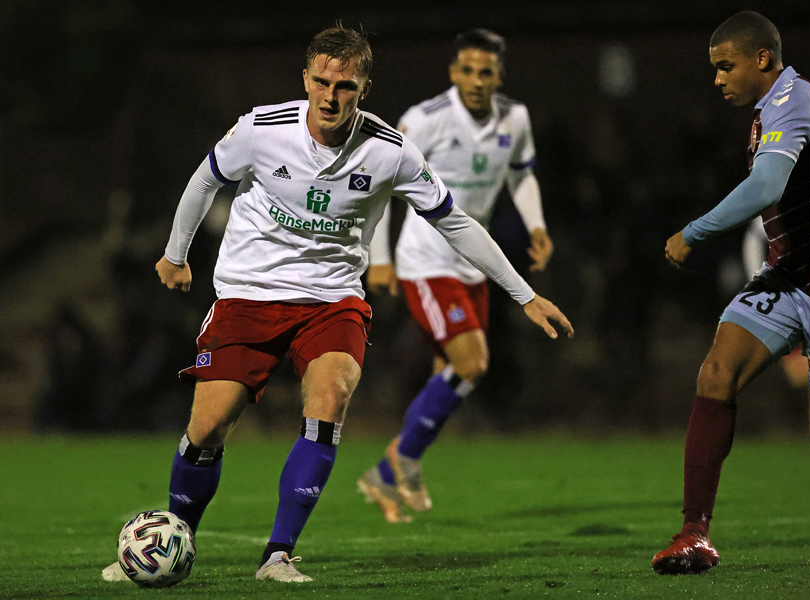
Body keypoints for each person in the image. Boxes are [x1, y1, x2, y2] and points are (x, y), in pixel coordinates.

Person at [101, 24, 573, 585]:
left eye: (344, 85)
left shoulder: (391, 152)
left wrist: (524, 293)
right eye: (321, 82)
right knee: (207, 428)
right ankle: (168, 539)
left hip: (332, 299)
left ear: (364, 88)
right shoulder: (261, 130)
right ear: (305, 79)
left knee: (330, 397)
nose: (330, 95)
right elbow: (207, 179)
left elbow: (456, 222)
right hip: (249, 293)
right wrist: (176, 254)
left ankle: (278, 555)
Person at [652, 11, 810, 575]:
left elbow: (766, 186)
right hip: (790, 277)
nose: (717, 79)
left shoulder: (797, 98)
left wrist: (693, 233)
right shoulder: (769, 110)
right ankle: (694, 533)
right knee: (716, 372)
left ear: (762, 58)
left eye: (725, 66)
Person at [356, 28, 553, 524]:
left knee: (449, 375)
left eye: (486, 72)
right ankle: (406, 458)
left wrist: (536, 225)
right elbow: (380, 189)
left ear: (499, 76)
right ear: (452, 72)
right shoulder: (424, 120)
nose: (476, 80)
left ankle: (382, 473)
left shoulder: (516, 117)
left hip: (474, 262)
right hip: (426, 260)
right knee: (473, 363)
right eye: (467, 70)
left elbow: (521, 172)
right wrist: (379, 258)